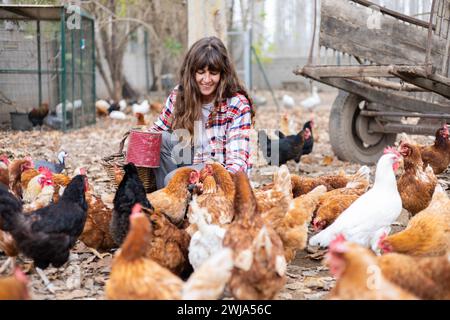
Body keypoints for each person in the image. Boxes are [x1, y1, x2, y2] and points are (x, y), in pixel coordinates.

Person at [149, 36, 254, 189]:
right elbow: (157, 130)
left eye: (213, 72)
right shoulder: (180, 95)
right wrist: (133, 153)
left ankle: (176, 196)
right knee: (162, 139)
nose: (206, 79)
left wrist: (213, 181)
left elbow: (237, 159)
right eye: (201, 72)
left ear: (223, 74)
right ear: (192, 73)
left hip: (219, 169)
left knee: (172, 180)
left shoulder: (237, 104)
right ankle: (170, 199)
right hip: (193, 159)